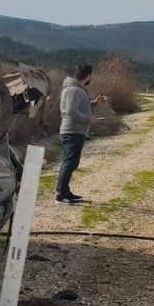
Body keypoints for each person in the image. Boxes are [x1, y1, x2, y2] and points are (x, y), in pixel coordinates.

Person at [56, 63, 107, 204]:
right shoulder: (74, 90)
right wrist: (89, 119)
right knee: (70, 163)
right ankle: (61, 194)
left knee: (70, 162)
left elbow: (76, 107)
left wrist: (94, 103)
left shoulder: (73, 88)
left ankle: (64, 192)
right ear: (89, 76)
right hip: (73, 131)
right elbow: (71, 111)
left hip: (73, 131)